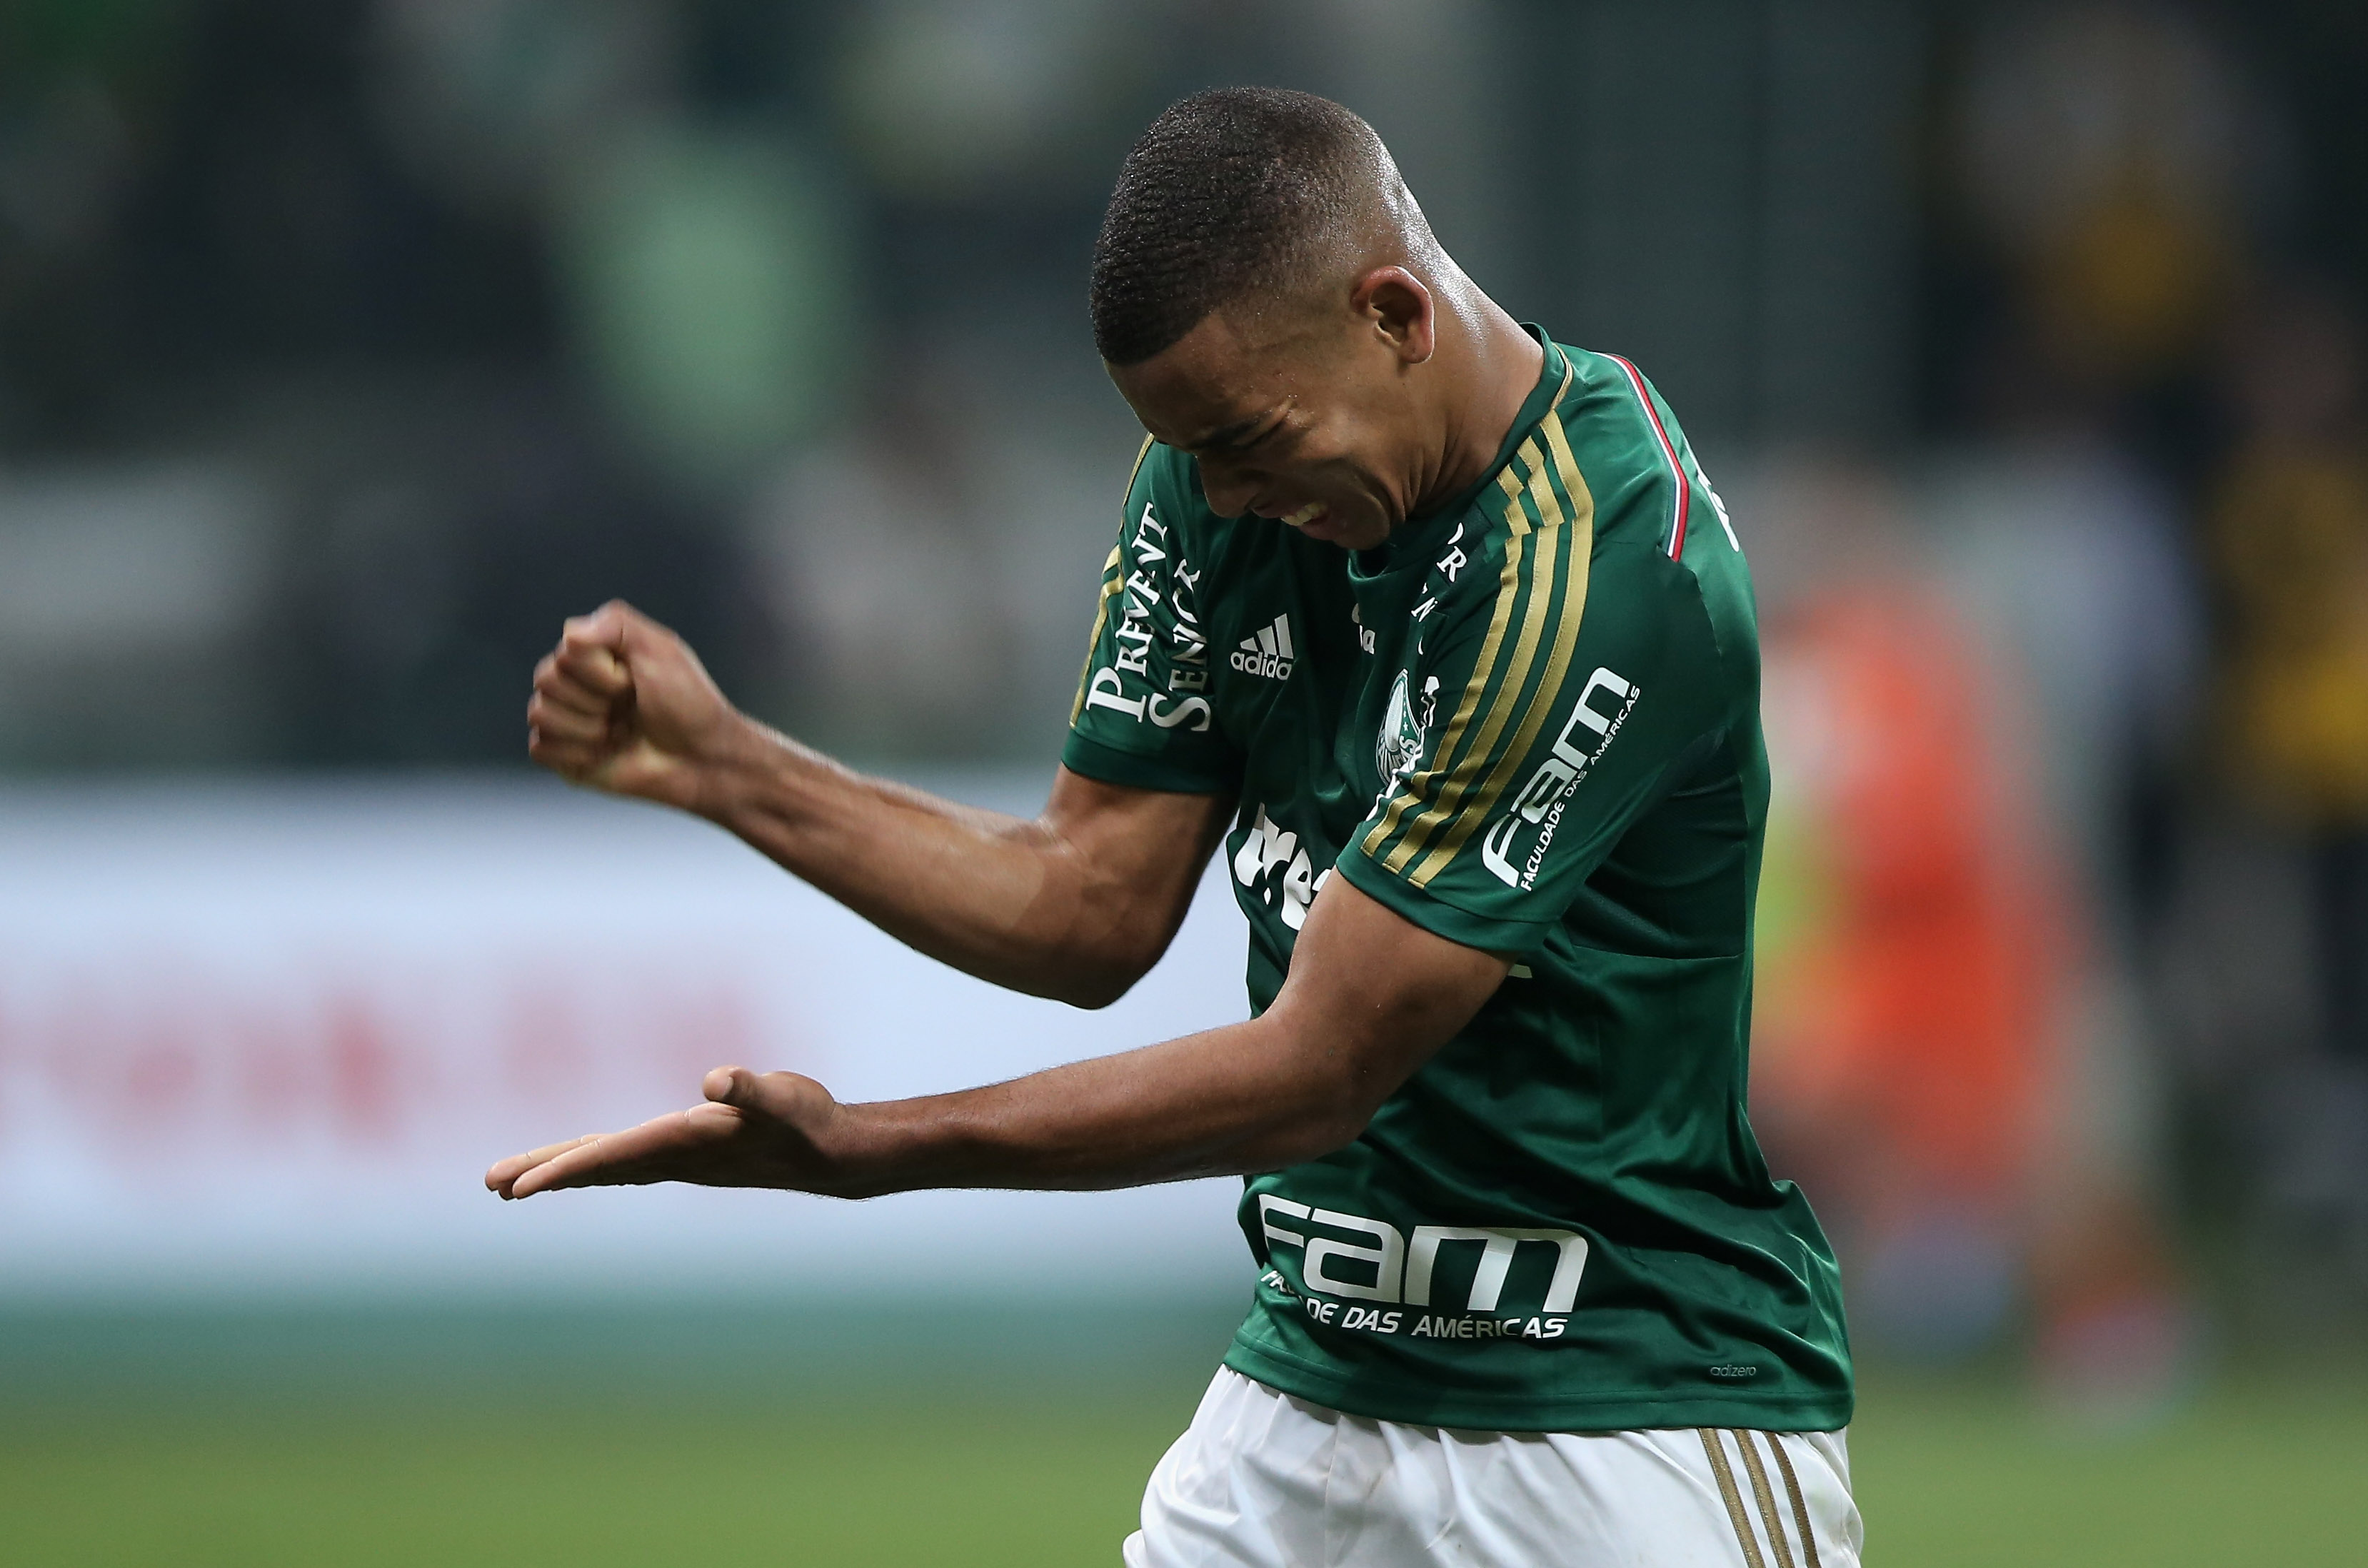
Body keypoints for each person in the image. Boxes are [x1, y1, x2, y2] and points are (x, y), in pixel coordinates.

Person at [489, 89, 1858, 1567]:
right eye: (1181, 450)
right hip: (1311, 1396)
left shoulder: (1596, 565)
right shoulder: (1229, 479)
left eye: (1246, 442)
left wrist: (871, 1150)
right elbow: (1086, 901)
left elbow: (1320, 1067)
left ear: (1391, 314)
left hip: (1621, 1414)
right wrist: (725, 769)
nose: (1220, 499)